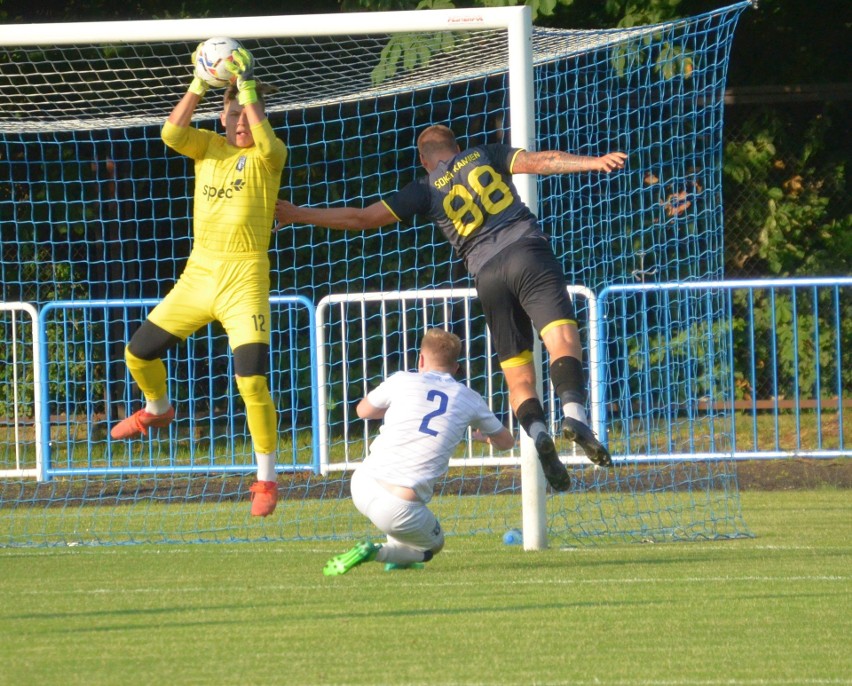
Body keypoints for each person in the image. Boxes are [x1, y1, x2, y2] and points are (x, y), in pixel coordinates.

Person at [276, 125, 626, 492]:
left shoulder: (424, 188)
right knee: (562, 338)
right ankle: (574, 414)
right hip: (527, 252)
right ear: (458, 148)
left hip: (487, 275)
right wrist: (593, 162)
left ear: (423, 160)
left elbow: (362, 219)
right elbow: (540, 162)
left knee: (518, 375)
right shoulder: (485, 154)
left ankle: (538, 433)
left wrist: (299, 213)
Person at [110, 46, 288, 517]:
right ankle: (158, 407)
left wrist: (246, 88)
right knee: (137, 352)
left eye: (249, 116)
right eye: (234, 117)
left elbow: (269, 144)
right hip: (198, 274)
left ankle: (266, 480)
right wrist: (199, 82)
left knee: (250, 379)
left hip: (243, 279)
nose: (243, 124)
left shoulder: (270, 157)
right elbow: (171, 133)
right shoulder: (208, 145)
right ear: (222, 119)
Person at [323, 328, 515, 576]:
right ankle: (376, 552)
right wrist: (485, 439)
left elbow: (362, 411)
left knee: (402, 520)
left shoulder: (401, 380)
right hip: (399, 506)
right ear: (456, 368)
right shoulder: (469, 398)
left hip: (361, 484)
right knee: (432, 546)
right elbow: (507, 442)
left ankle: (397, 559)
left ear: (421, 360)